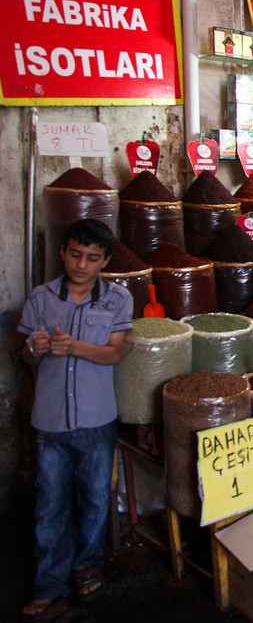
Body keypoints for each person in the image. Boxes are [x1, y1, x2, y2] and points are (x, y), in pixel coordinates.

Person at [18, 219, 133, 621]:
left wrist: (74, 347)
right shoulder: (40, 298)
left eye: (92, 258)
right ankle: (48, 584)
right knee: (51, 504)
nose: (81, 264)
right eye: (75, 254)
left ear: (105, 261)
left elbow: (114, 353)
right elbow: (28, 356)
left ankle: (88, 564)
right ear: (63, 252)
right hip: (49, 419)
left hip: (96, 416)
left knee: (96, 497)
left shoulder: (117, 300)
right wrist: (35, 346)